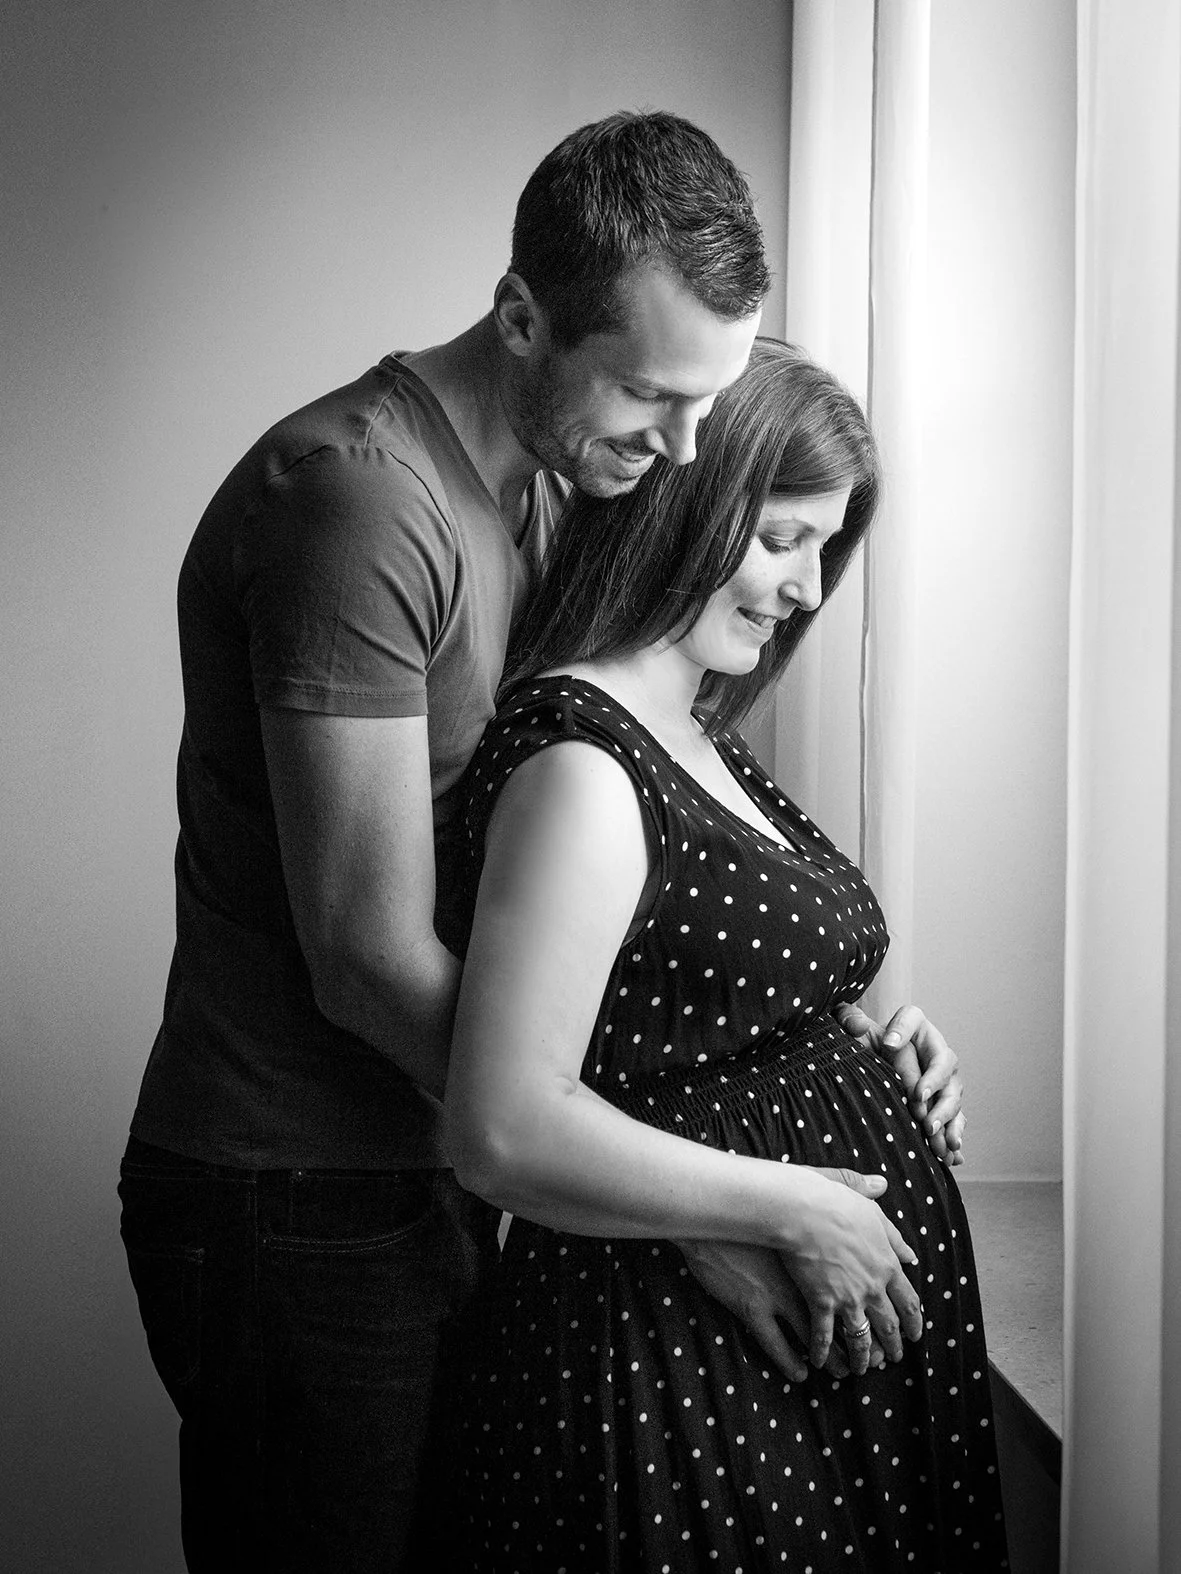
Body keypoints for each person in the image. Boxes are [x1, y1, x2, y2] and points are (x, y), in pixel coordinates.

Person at [116, 110, 772, 1574]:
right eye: (648, 398)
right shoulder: (358, 502)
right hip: (292, 1196)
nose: (675, 450)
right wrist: (647, 1186)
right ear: (523, 316)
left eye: (703, 408)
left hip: (432, 1172)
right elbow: (362, 960)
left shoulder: (554, 479)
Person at [426, 338, 1009, 1570]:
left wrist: (861, 1039)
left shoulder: (688, 729)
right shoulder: (582, 766)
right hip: (671, 1360)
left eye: (825, 549)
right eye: (780, 538)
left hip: (783, 1361)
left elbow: (678, 1000)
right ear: (689, 508)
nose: (805, 588)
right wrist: (794, 1199)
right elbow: (501, 1124)